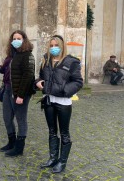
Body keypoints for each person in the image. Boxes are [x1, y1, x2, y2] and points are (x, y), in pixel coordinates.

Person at [35, 35, 83, 173]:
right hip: (49, 101)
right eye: (51, 45)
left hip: (63, 102)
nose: (53, 48)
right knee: (51, 131)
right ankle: (53, 158)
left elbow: (78, 82)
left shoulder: (71, 62)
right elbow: (40, 76)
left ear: (62, 46)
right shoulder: (46, 60)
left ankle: (62, 162)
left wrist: (63, 91)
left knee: (64, 132)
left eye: (56, 45)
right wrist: (37, 82)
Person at [0, 30, 35, 157]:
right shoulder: (11, 55)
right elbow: (6, 70)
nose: (16, 40)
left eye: (19, 38)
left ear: (24, 40)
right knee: (7, 117)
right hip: (8, 90)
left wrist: (21, 95)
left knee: (21, 119)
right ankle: (11, 142)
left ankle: (19, 148)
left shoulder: (27, 55)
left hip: (20, 93)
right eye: (14, 38)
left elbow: (28, 76)